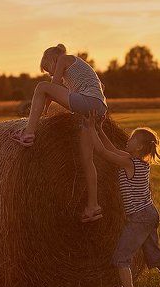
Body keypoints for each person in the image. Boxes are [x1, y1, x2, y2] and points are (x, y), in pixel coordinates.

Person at [86, 114, 160, 287]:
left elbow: (102, 152)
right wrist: (99, 129)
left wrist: (90, 128)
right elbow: (111, 148)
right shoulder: (138, 162)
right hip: (149, 214)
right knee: (155, 258)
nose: (127, 140)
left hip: (140, 217)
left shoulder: (128, 162)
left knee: (121, 258)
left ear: (138, 147)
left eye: (131, 139)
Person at [11, 43, 108, 223]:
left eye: (49, 69)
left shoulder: (64, 58)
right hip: (98, 107)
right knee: (87, 160)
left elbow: (51, 88)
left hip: (88, 102)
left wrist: (43, 113)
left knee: (41, 87)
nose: (51, 74)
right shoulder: (79, 68)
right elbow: (99, 85)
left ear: (54, 59)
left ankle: (29, 132)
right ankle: (93, 206)